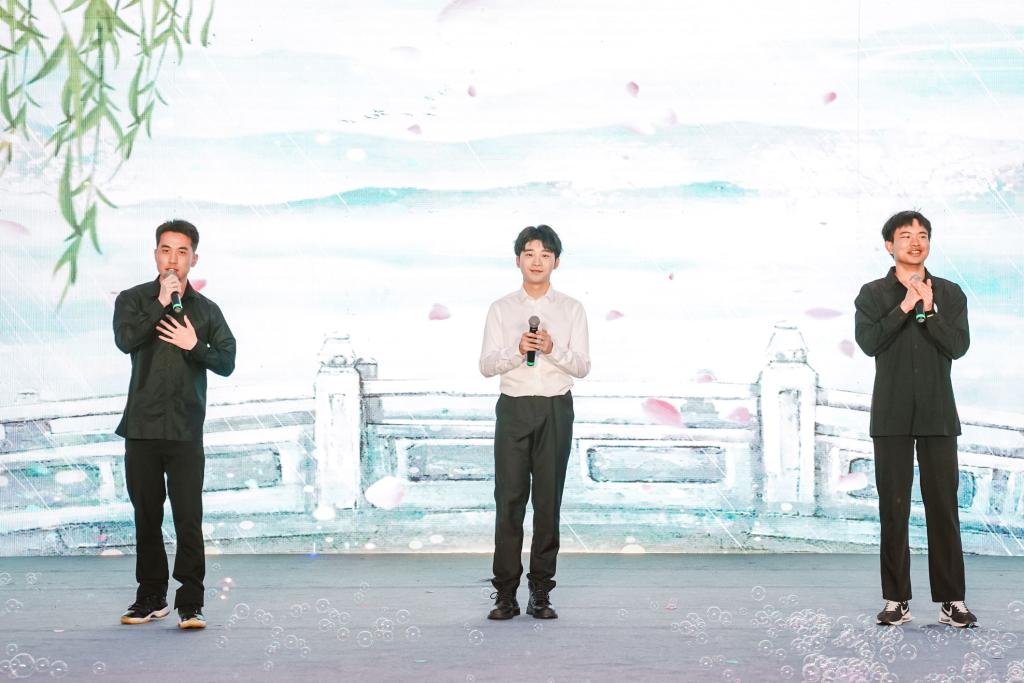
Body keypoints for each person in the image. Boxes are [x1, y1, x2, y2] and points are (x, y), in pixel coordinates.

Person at [854, 210, 976, 628]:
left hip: (938, 414)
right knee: (894, 508)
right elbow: (869, 342)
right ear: (889, 245)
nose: (915, 242)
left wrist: (929, 310)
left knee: (944, 508)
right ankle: (896, 599)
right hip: (891, 415)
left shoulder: (950, 292)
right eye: (905, 236)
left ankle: (952, 600)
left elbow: (957, 346)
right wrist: (904, 306)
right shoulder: (872, 294)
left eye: (922, 235)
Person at [113, 219, 236, 630]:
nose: (173, 259)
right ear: (155, 255)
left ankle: (191, 603)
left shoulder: (207, 310)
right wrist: (160, 305)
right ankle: (151, 597)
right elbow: (126, 340)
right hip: (142, 428)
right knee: (146, 516)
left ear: (193, 259)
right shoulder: (133, 300)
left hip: (185, 430)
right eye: (166, 250)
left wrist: (194, 345)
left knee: (188, 518)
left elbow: (226, 361)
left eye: (182, 252)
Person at [479, 224, 590, 620]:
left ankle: (541, 591)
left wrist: (552, 348)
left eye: (545, 254)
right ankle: (505, 593)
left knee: (547, 502)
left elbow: (582, 366)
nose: (537, 261)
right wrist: (517, 349)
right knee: (509, 501)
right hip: (513, 409)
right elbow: (486, 365)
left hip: (555, 409)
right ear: (518, 260)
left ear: (556, 262)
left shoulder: (572, 309)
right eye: (529, 253)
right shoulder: (501, 308)